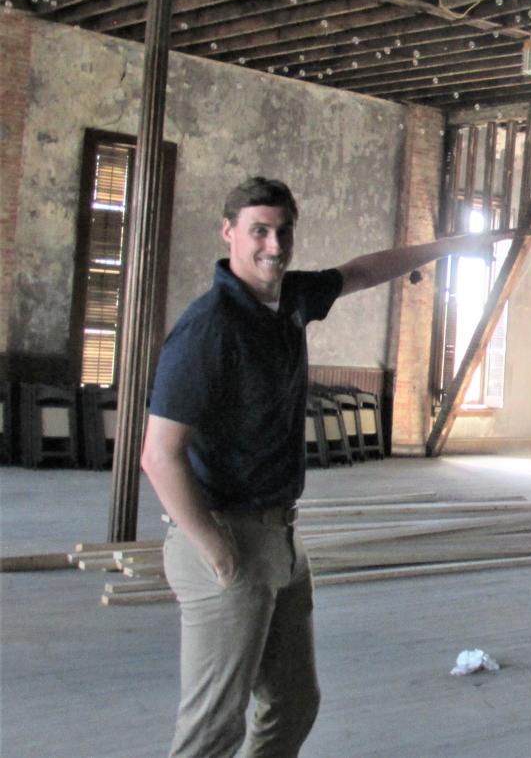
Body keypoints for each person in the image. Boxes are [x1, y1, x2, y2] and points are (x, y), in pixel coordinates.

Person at [141, 176, 496, 758]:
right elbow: (158, 455)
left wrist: (447, 247)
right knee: (212, 731)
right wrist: (219, 553)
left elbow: (361, 271)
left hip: (279, 536)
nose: (274, 247)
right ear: (229, 232)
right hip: (225, 538)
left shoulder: (292, 300)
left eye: (284, 232)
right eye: (259, 232)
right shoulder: (210, 328)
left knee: (293, 704)